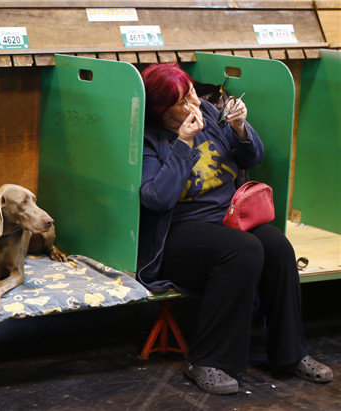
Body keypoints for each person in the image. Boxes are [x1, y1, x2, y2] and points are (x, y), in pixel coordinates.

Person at [136, 62, 333, 395]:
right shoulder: (149, 139)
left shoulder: (210, 116)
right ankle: (207, 360)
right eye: (182, 102)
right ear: (160, 110)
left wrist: (241, 127)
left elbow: (251, 157)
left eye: (193, 94)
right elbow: (157, 198)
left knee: (277, 246)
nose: (194, 105)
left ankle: (290, 353)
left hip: (228, 218)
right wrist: (184, 143)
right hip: (178, 235)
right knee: (243, 250)